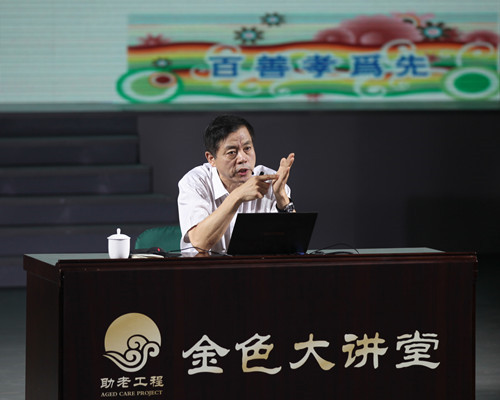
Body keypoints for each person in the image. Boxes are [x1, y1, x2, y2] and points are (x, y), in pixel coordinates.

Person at [177, 114, 295, 253]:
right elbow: (200, 243)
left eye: (247, 148)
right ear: (211, 159)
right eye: (232, 152)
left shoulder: (270, 180)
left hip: (256, 266)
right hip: (206, 266)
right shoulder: (195, 182)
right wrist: (237, 196)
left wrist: (281, 197)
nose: (242, 158)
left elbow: (294, 245)